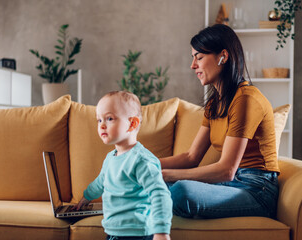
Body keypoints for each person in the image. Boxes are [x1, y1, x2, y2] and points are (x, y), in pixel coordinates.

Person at [160, 24, 279, 219]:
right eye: (193, 58)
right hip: (227, 186)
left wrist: (168, 175)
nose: (193, 65)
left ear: (223, 56)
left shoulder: (246, 99)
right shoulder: (215, 103)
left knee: (181, 191)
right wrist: (147, 164)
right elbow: (191, 157)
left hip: (256, 190)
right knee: (153, 185)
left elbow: (226, 170)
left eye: (199, 57)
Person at [74, 91, 172, 240]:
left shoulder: (142, 160)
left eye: (109, 118)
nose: (102, 125)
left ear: (132, 124)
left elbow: (160, 195)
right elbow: (100, 182)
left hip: (137, 233)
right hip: (113, 232)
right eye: (99, 120)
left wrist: (161, 232)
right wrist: (86, 197)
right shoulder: (110, 158)